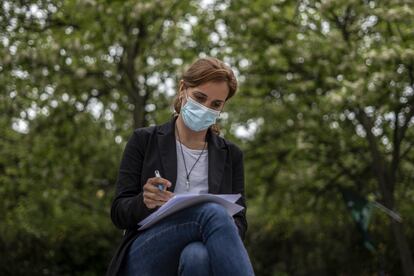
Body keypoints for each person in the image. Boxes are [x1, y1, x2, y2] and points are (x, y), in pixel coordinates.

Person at [106, 57, 255, 276]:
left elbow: (239, 223)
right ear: (183, 89)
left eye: (215, 104)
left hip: (198, 249)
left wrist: (225, 226)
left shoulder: (231, 155)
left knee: (198, 256)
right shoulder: (144, 141)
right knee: (212, 213)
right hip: (146, 252)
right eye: (200, 97)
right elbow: (118, 213)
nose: (206, 108)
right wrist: (144, 201)